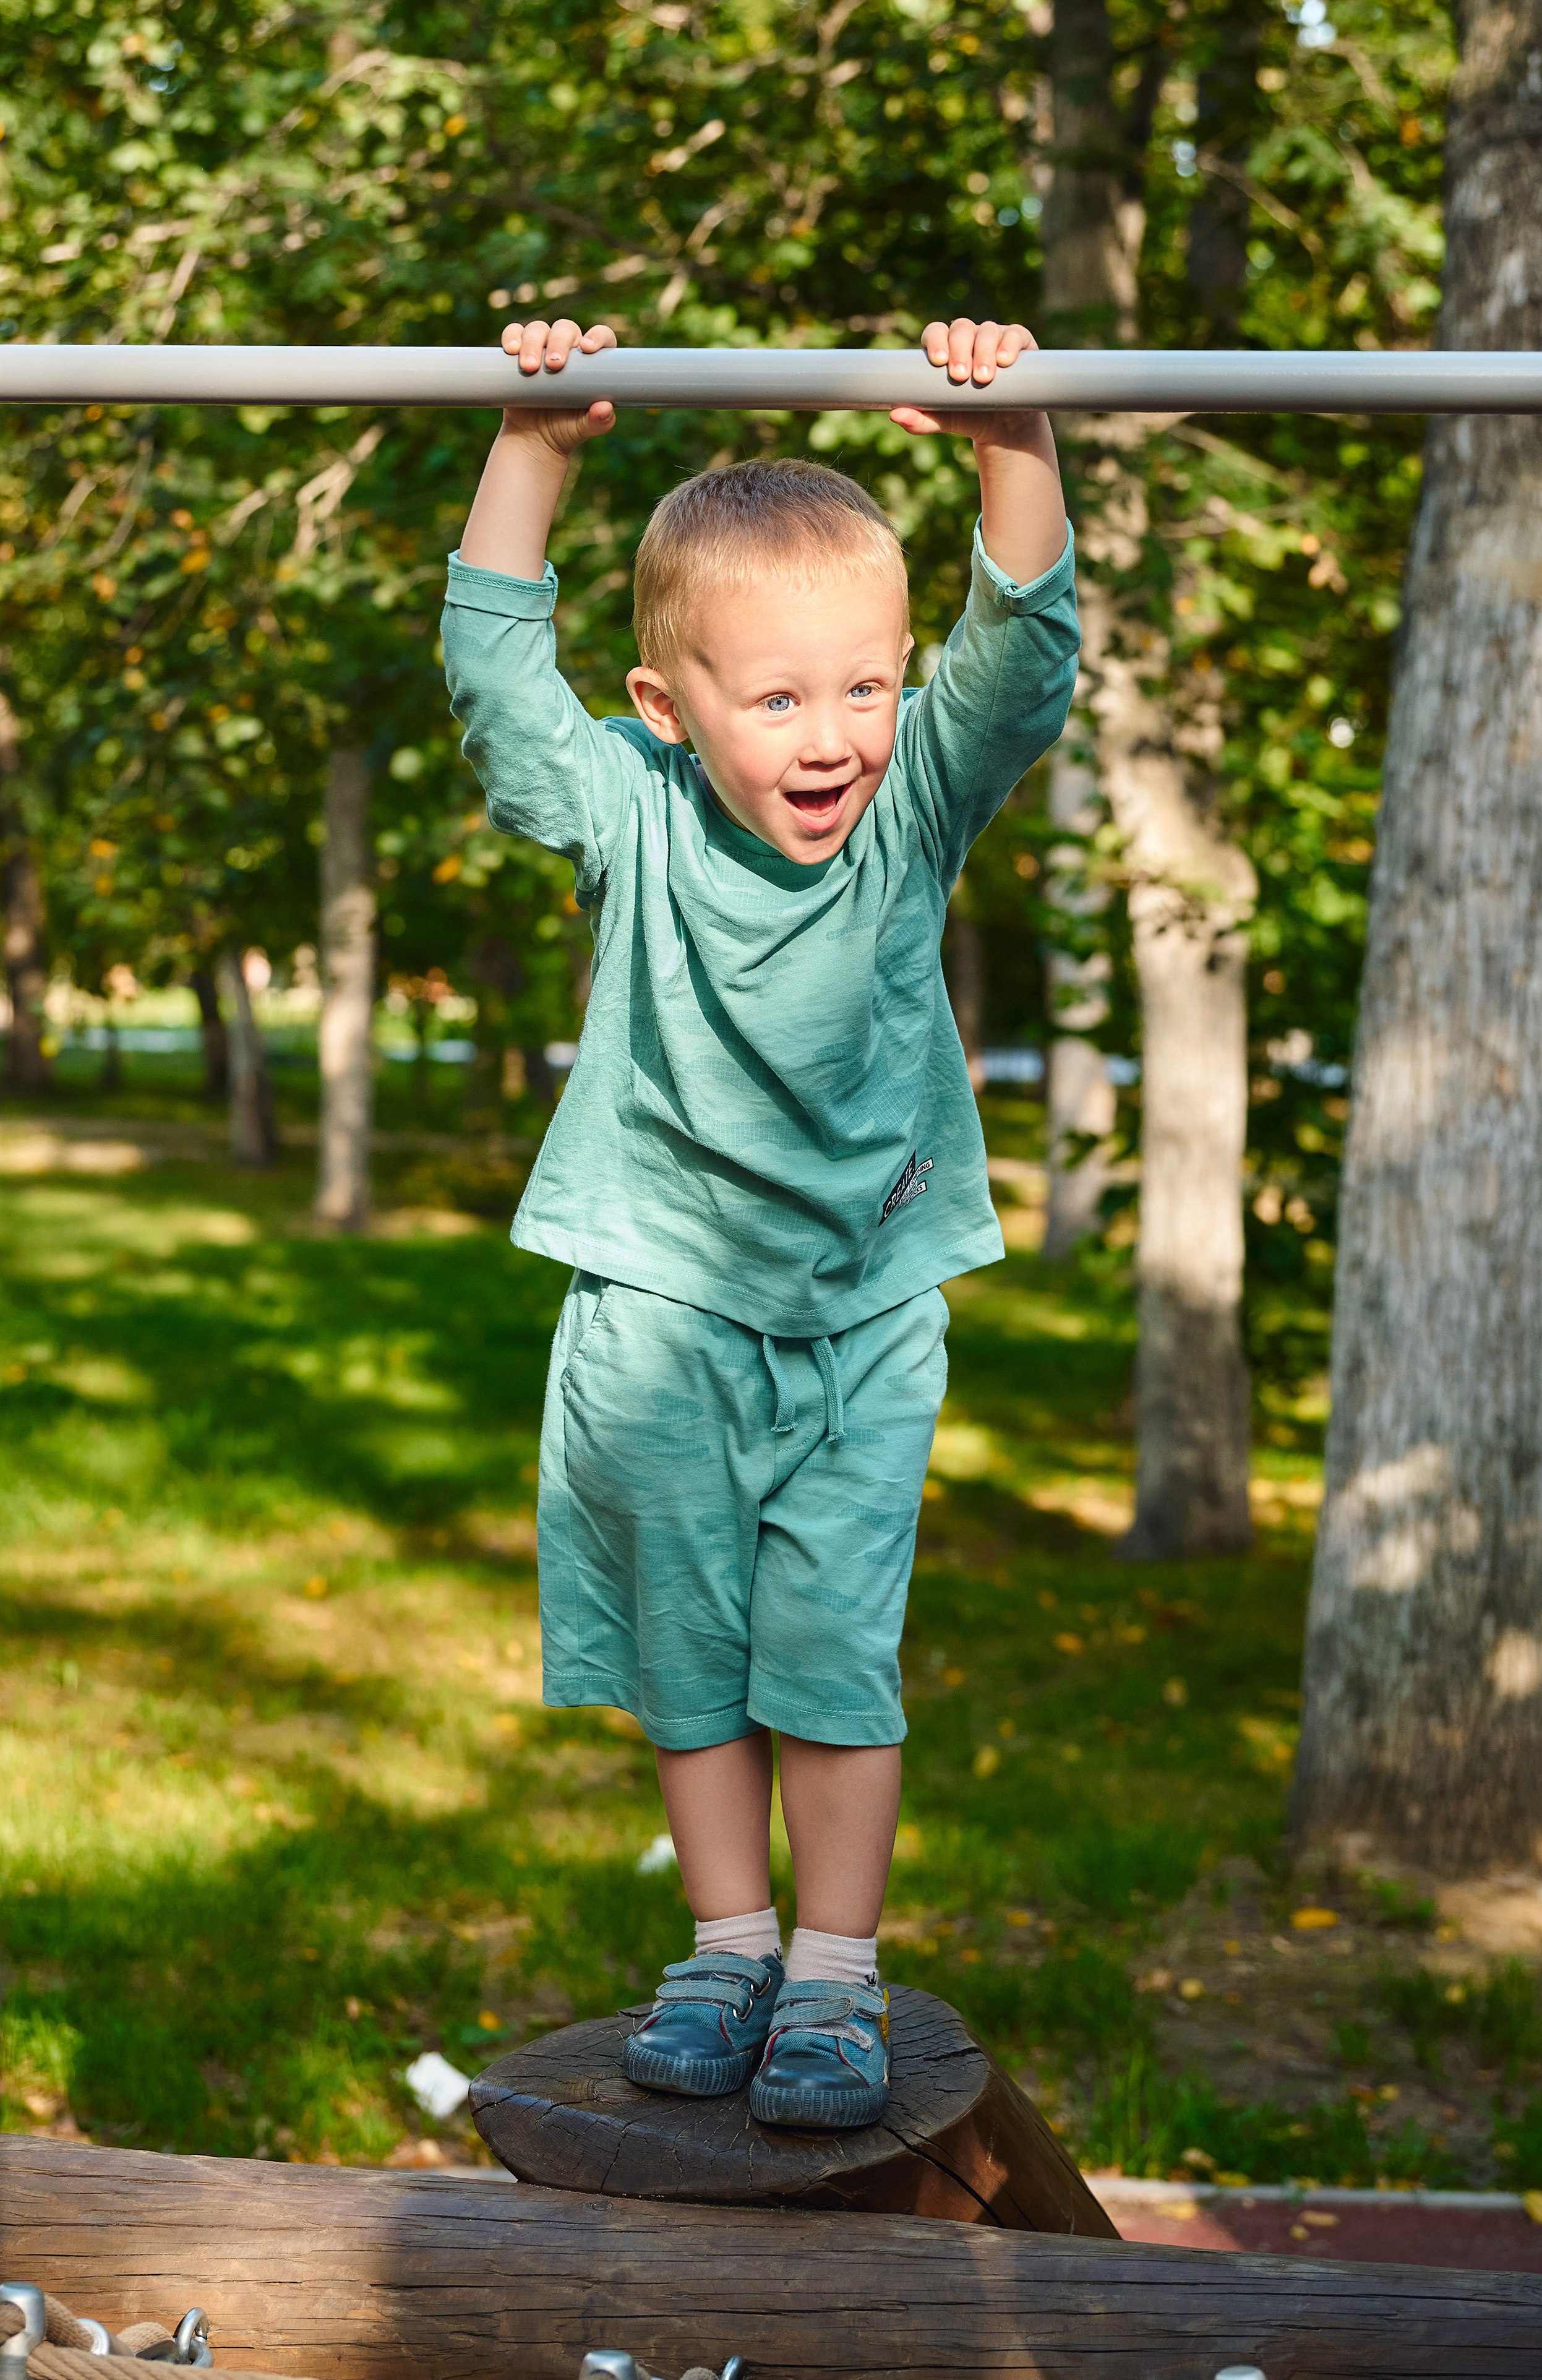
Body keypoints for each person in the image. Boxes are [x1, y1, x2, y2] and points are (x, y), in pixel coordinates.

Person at [444, 312, 1079, 2129]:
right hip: (657, 1307)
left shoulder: (918, 810)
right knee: (693, 1644)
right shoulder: (624, 814)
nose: (834, 737)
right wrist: (540, 446)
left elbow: (1023, 653)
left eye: (864, 687)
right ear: (671, 707)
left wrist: (1012, 436)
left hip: (868, 1303)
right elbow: (497, 684)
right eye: (778, 697)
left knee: (832, 1643)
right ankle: (728, 1944)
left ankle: (833, 1977)